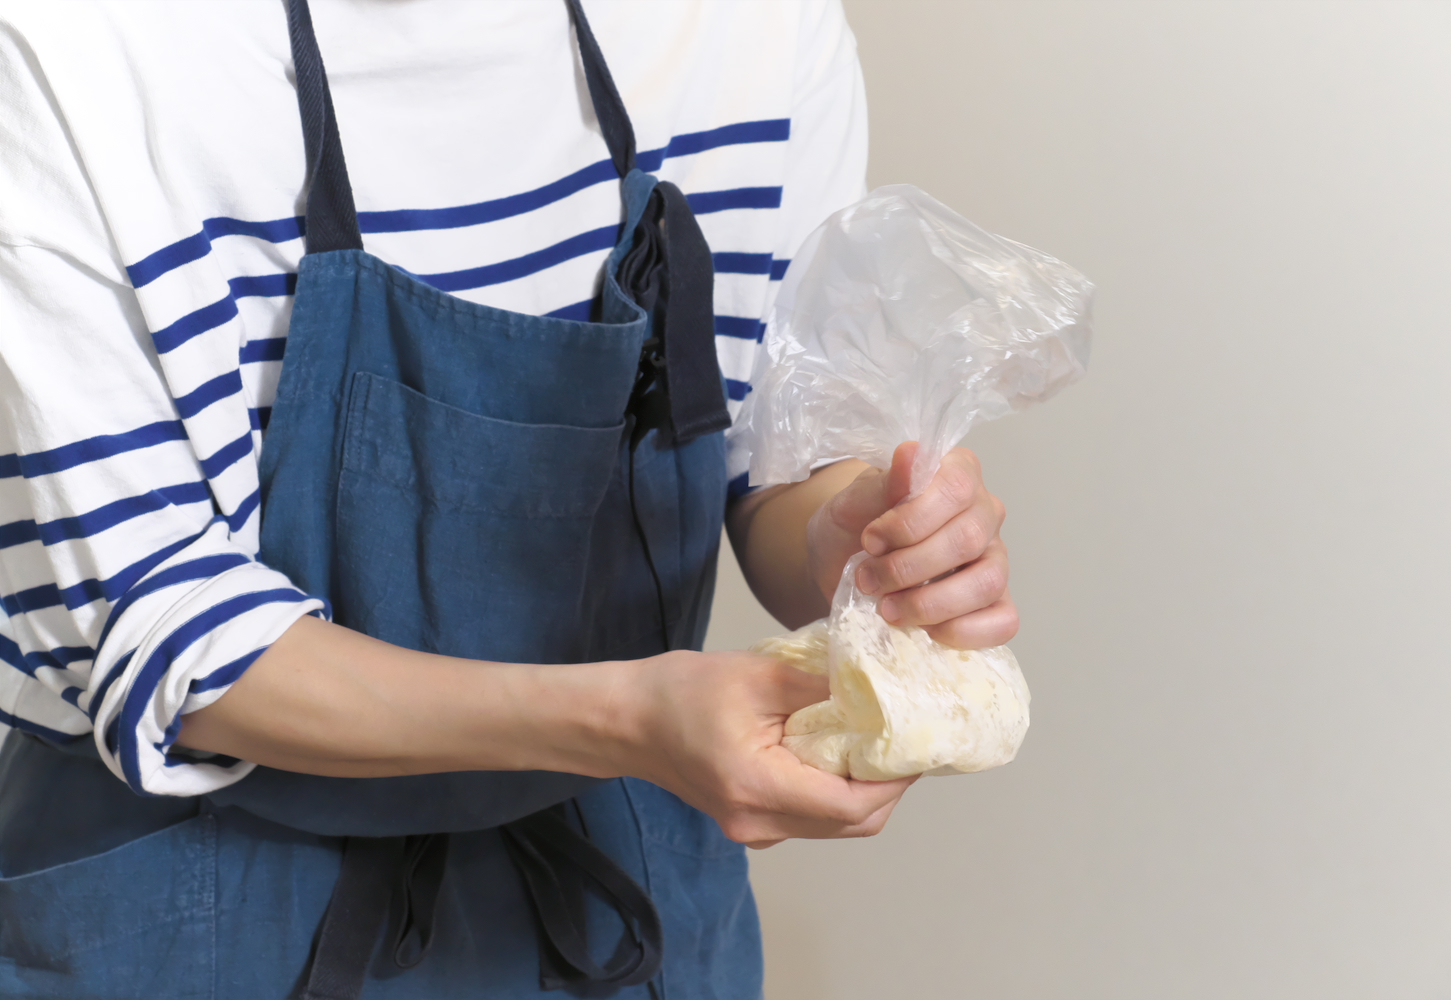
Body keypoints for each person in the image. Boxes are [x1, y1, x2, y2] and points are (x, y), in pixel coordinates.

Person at [0, 1, 1018, 997]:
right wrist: (625, 716)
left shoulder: (751, 28)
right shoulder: (74, 52)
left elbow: (771, 454)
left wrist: (854, 539)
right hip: (202, 907)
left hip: (620, 890)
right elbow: (154, 624)